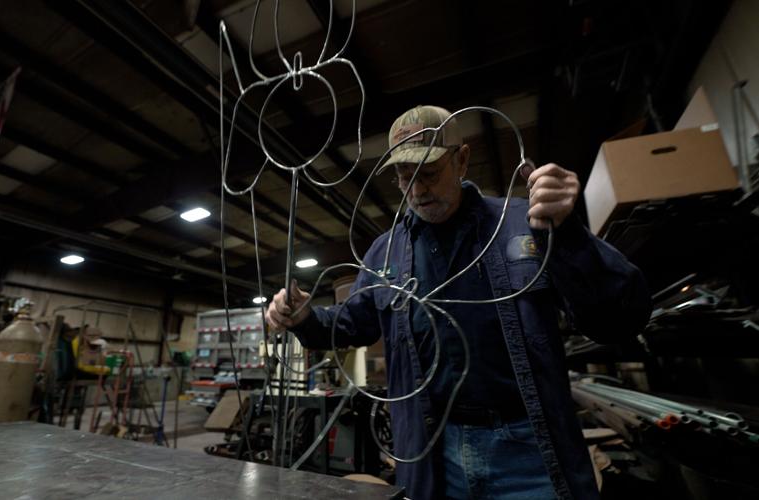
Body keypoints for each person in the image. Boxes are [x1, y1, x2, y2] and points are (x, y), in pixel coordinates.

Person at [266, 105, 651, 500]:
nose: (416, 191)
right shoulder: (386, 252)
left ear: (462, 160)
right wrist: (304, 318)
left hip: (528, 449)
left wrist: (570, 234)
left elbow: (621, 318)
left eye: (429, 173)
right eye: (404, 177)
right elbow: (350, 324)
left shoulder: (526, 224)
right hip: (434, 452)